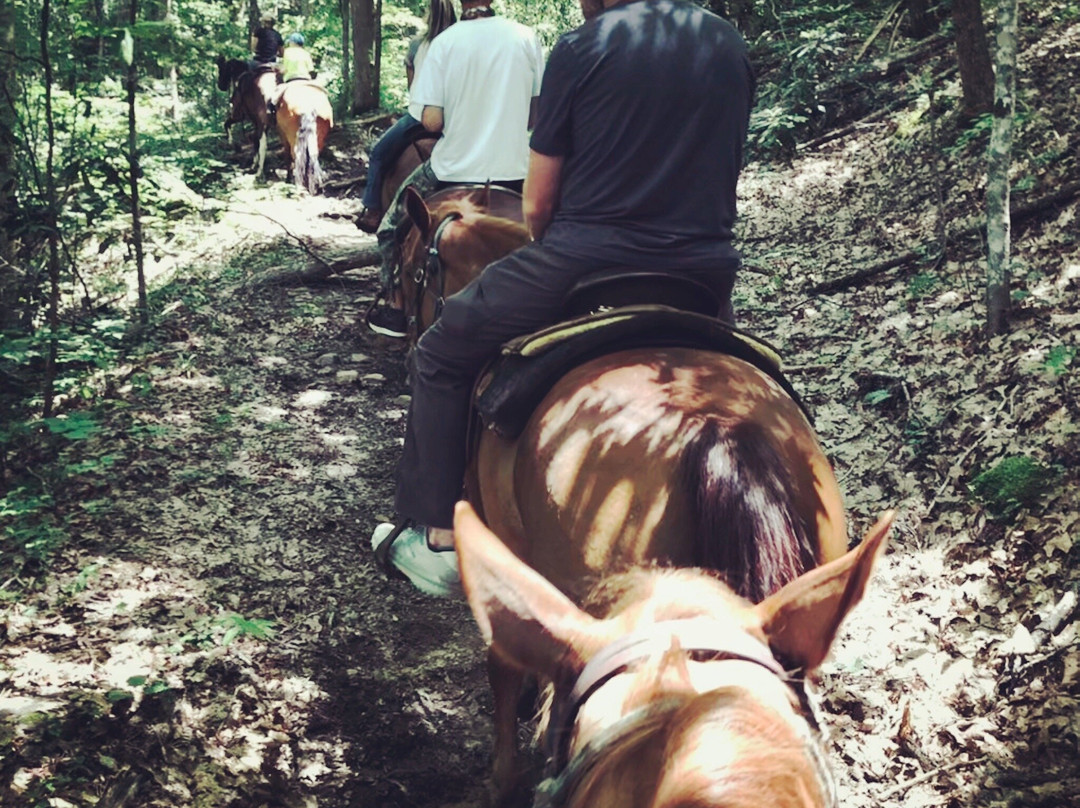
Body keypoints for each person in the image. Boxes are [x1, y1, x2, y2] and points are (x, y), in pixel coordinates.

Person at [370, 0, 755, 597]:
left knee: (442, 352)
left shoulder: (583, 46)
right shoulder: (728, 42)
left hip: (586, 263)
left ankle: (441, 539)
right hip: (706, 274)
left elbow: (540, 202)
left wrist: (551, 246)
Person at [362, 0, 544, 338]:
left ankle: (397, 309)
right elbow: (534, 115)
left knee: (389, 228)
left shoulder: (444, 43)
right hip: (515, 170)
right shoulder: (525, 36)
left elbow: (431, 121)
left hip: (452, 169)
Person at [356, 0, 458, 234]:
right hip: (455, 118)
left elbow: (413, 89)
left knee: (379, 153)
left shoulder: (416, 46)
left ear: (427, 15)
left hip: (420, 115)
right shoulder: (463, 43)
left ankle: (372, 209)